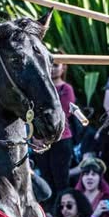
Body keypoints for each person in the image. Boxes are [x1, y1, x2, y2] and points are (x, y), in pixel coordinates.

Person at [33, 62, 75, 199]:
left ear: (63, 68)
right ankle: (49, 212)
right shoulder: (39, 87)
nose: (52, 68)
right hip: (40, 140)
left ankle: (61, 211)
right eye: (50, 65)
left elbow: (62, 113)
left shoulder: (66, 88)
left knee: (61, 178)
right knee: (45, 177)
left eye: (56, 65)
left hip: (61, 139)